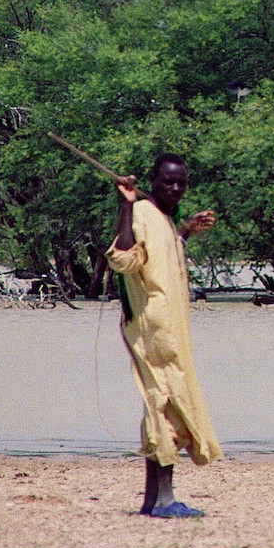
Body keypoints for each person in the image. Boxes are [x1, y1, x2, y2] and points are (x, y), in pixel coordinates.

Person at [106, 153, 220, 518]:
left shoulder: (164, 220)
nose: (175, 188)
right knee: (165, 403)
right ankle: (166, 500)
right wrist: (125, 205)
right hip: (154, 327)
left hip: (170, 329)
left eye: (181, 182)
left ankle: (152, 500)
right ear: (152, 181)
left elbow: (161, 258)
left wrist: (185, 231)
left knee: (160, 401)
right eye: (168, 181)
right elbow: (123, 258)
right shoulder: (140, 212)